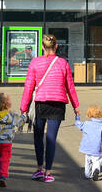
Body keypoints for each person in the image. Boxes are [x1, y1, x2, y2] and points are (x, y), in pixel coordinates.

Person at [19, 33, 79, 183]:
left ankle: (39, 169)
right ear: (56, 46)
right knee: (51, 138)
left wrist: (23, 107)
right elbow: (70, 87)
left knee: (38, 136)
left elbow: (28, 86)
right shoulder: (63, 63)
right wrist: (76, 106)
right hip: (58, 104)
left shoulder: (35, 62)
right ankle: (48, 172)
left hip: (41, 103)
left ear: (42, 47)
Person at [74, 104, 102, 180]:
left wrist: (77, 117)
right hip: (96, 148)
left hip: (87, 148)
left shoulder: (86, 124)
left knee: (88, 162)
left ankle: (87, 175)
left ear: (89, 114)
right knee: (96, 160)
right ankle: (96, 170)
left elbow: (78, 125)